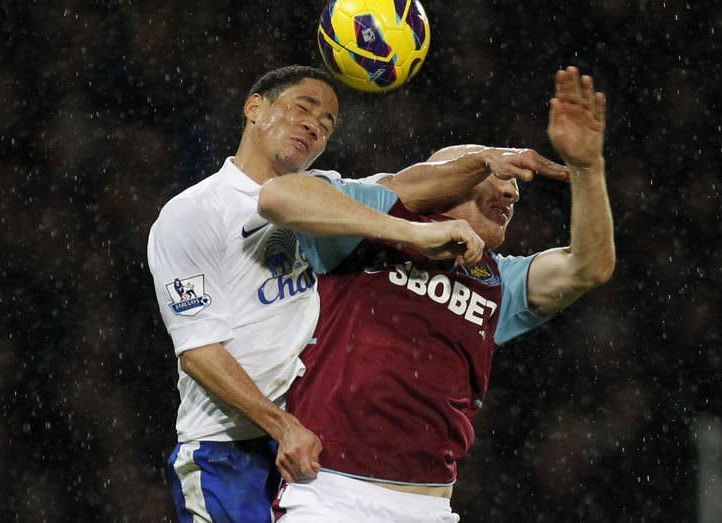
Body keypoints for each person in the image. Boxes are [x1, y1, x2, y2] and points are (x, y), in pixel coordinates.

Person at [147, 64, 567, 522]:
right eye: (302, 109)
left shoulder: (334, 198)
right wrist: (280, 424)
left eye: (327, 124)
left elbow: (409, 186)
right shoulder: (192, 213)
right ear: (254, 108)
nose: (314, 125)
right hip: (229, 449)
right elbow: (198, 351)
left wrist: (484, 161)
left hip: (310, 454)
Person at [258, 66, 615, 522]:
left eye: (513, 186)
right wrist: (411, 231)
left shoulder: (497, 280)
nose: (510, 190)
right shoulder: (369, 224)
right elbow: (279, 196)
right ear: (453, 177)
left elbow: (590, 265)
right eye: (497, 175)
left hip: (429, 505)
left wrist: (588, 168)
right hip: (329, 493)